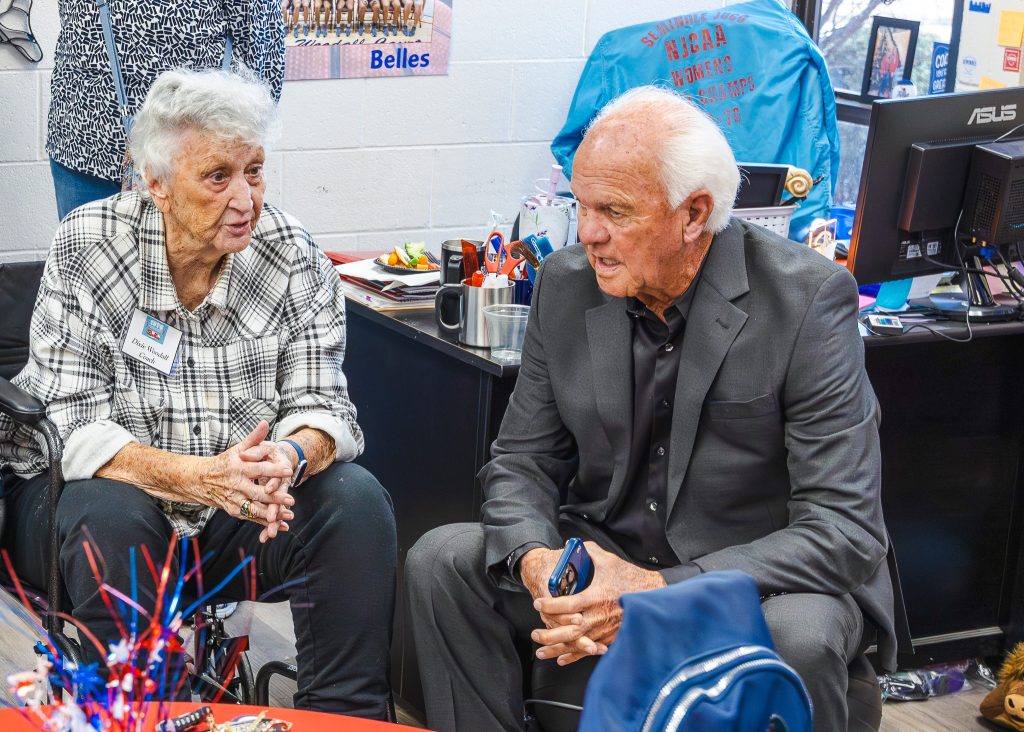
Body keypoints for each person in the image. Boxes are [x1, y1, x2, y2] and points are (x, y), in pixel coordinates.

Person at [406, 86, 896, 732]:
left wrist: (656, 590)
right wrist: (537, 562)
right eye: (578, 205)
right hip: (604, 552)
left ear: (694, 214)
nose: (588, 233)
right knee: (443, 559)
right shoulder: (567, 281)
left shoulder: (807, 300)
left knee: (798, 633)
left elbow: (843, 529)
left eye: (615, 211)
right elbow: (521, 462)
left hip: (748, 577)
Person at [1, 69, 397, 720]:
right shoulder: (89, 245)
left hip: (231, 510)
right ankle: (136, 715)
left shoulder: (294, 255)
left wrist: (289, 459)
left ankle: (345, 716)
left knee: (354, 502)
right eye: (218, 177)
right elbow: (70, 429)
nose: (246, 198)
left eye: (256, 171)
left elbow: (324, 405)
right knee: (112, 514)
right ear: (155, 183)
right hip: (92, 503)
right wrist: (196, 478)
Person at [48, 1, 285, 221]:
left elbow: (259, 35)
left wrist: (243, 136)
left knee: (200, 261)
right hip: (87, 137)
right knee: (87, 256)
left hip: (198, 142)